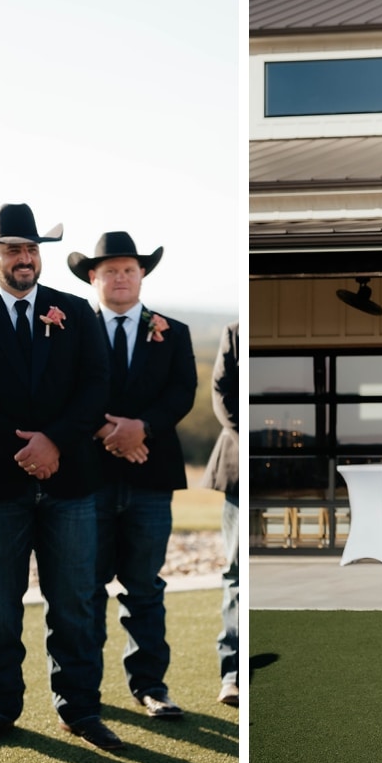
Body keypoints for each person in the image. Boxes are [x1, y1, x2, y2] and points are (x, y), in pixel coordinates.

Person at [0, 204, 122, 752]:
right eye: (13, 249)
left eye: (32, 249)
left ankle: (80, 708)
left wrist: (55, 442)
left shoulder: (75, 312)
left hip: (72, 480)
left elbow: (95, 389)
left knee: (74, 602)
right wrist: (25, 448)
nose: (25, 258)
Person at [68, 231, 197, 719]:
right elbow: (67, 387)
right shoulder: (72, 328)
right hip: (88, 476)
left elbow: (181, 393)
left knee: (144, 585)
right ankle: (86, 691)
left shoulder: (174, 330)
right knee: (87, 586)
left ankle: (150, 686)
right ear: (93, 277)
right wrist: (106, 431)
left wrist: (141, 428)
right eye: (110, 271)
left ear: (142, 275)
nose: (120, 277)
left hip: (151, 475)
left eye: (129, 269)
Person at [203, 321, 239, 706]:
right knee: (235, 574)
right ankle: (231, 675)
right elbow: (219, 391)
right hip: (235, 469)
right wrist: (243, 437)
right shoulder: (235, 331)